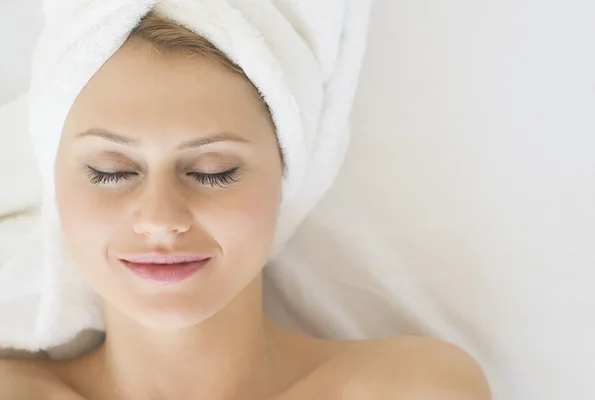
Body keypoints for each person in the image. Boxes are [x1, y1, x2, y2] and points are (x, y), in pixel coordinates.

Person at [0, 12, 491, 399]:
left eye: (213, 171)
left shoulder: (410, 391)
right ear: (55, 184)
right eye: (112, 171)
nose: (160, 220)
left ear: (286, 174)